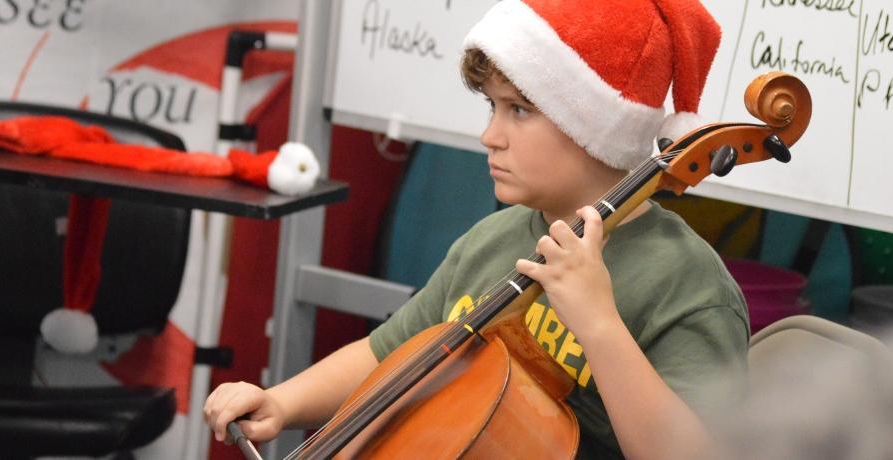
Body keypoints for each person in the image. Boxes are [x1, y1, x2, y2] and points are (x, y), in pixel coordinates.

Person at [204, 0, 748, 458]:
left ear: (595, 126)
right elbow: (387, 355)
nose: (490, 135)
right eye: (492, 106)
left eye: (519, 110)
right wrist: (282, 403)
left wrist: (600, 325)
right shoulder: (492, 239)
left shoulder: (686, 283)